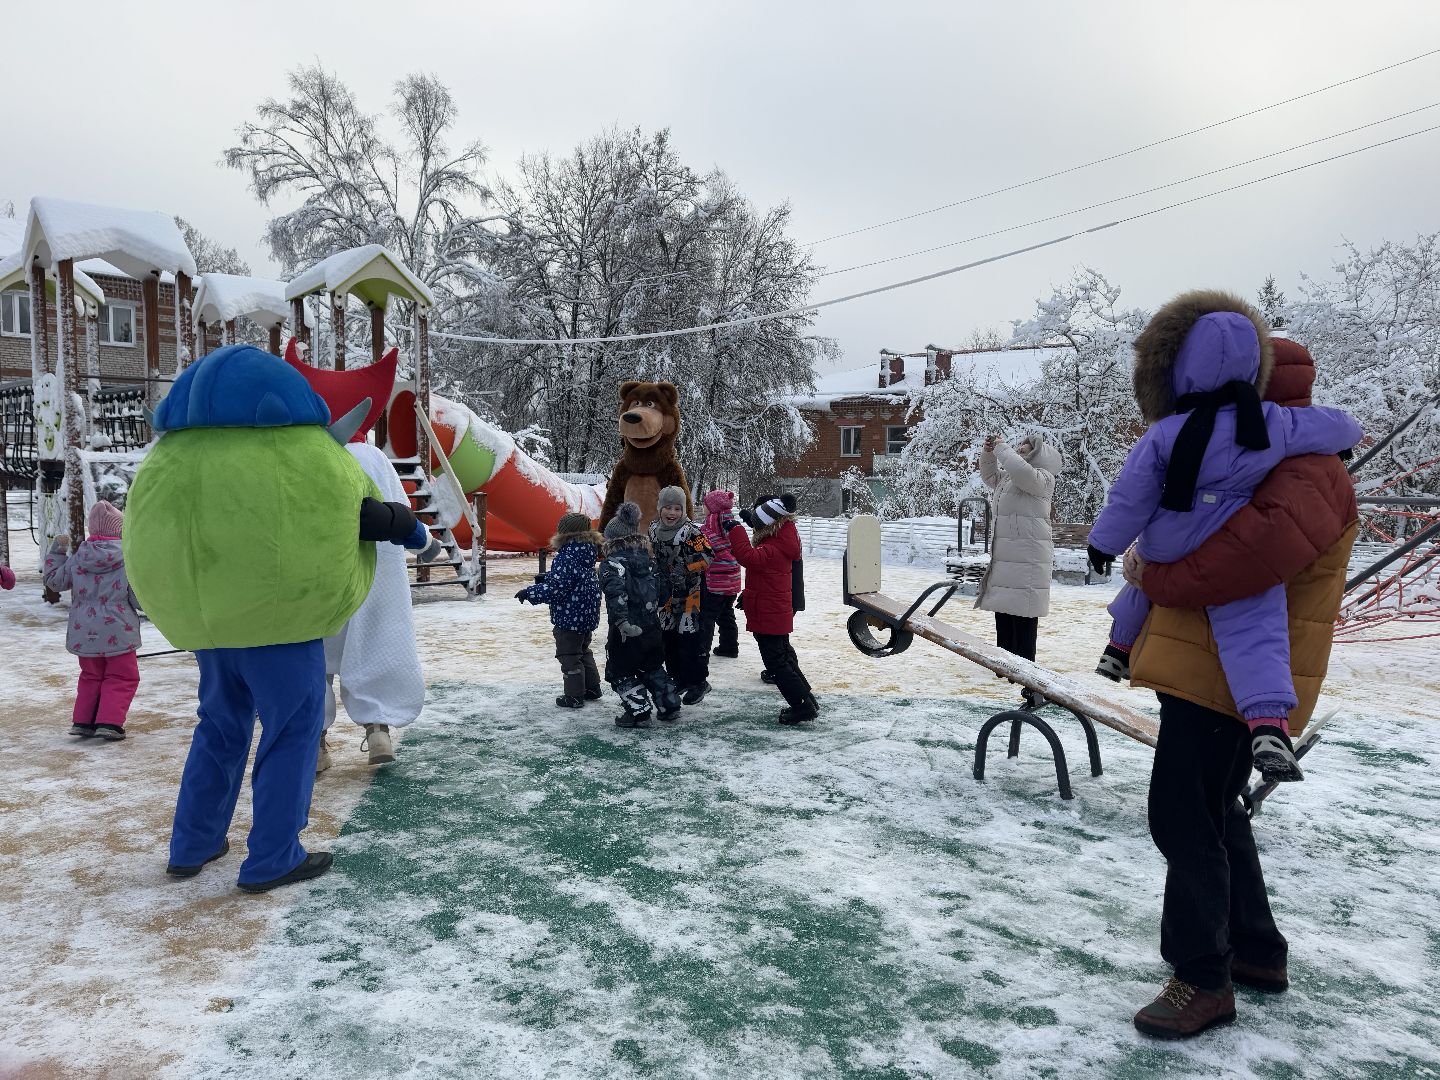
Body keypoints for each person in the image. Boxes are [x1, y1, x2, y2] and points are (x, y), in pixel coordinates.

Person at [1116, 321, 1359, 1040]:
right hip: (1211, 668)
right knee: (1218, 810)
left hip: (1234, 678)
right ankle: (1255, 950)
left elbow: (1236, 568)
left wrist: (1145, 569)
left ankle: (1201, 977)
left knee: (1181, 816)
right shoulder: (1271, 457)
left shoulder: (1304, 470)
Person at [123, 344, 432, 893]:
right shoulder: (306, 454)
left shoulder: (173, 457)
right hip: (284, 630)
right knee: (292, 731)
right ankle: (272, 855)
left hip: (214, 631)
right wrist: (413, 532)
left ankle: (193, 843)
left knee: (219, 727)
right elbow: (367, 515)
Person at [1087, 296, 1361, 783]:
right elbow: (1338, 425)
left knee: (1141, 583)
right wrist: (1342, 438)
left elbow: (1130, 493)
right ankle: (1269, 722)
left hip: (1167, 538)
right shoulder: (1274, 425)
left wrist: (1105, 542)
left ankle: (1117, 649)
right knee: (1256, 630)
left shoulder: (1166, 432)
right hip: (1220, 535)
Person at [320, 440, 442, 773]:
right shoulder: (370, 456)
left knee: (312, 658)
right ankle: (378, 731)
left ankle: (312, 740)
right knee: (375, 644)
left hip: (316, 572)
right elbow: (398, 509)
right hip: (373, 571)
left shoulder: (302, 450)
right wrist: (424, 541)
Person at [42, 500, 141, 741]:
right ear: (121, 530)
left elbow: (54, 582)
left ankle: (83, 722)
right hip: (119, 629)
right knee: (122, 676)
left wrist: (56, 552)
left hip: (83, 631)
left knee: (90, 676)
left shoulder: (77, 558)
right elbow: (137, 599)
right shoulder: (127, 559)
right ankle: (109, 722)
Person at [973, 432, 1063, 668]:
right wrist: (989, 452)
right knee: (1003, 606)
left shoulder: (1042, 479)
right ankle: (1003, 662)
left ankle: (1025, 665)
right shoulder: (1009, 479)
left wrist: (1003, 450)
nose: (1020, 448)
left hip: (1028, 556)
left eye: (1026, 448)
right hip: (1007, 554)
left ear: (1039, 456)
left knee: (1024, 612)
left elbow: (1023, 473)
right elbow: (989, 475)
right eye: (1020, 446)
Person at [725, 494, 817, 725]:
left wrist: (735, 530)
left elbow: (747, 556)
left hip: (770, 613)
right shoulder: (781, 538)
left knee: (776, 661)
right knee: (783, 656)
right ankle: (806, 698)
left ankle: (801, 705)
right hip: (771, 610)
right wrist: (750, 520)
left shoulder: (772, 549)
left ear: (768, 525)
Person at [600, 501, 681, 728]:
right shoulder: (648, 561)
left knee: (619, 671)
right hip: (652, 627)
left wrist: (623, 621)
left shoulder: (612, 564)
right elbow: (663, 590)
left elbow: (615, 594)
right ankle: (669, 704)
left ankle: (638, 712)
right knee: (652, 666)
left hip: (627, 630)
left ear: (612, 540)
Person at [517, 511, 604, 709]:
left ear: (565, 534)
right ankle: (592, 688)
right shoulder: (586, 552)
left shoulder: (566, 556)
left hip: (569, 617)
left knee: (569, 656)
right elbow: (571, 580)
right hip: (586, 615)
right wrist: (547, 579)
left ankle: (574, 696)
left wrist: (530, 593)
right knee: (583, 651)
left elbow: (557, 590)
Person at [649, 485, 715, 704]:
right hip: (666, 595)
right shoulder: (652, 529)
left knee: (690, 639)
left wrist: (684, 568)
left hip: (690, 596)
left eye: (677, 508)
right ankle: (679, 678)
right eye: (667, 507)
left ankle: (698, 682)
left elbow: (707, 556)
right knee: (668, 638)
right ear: (660, 508)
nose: (672, 513)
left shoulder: (691, 532)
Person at [700, 489, 743, 659]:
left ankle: (702, 650)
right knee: (726, 613)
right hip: (733, 577)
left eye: (705, 504)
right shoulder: (732, 524)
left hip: (716, 578)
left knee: (708, 616)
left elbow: (706, 548)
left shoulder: (709, 525)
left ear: (712, 507)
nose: (703, 507)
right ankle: (729, 647)